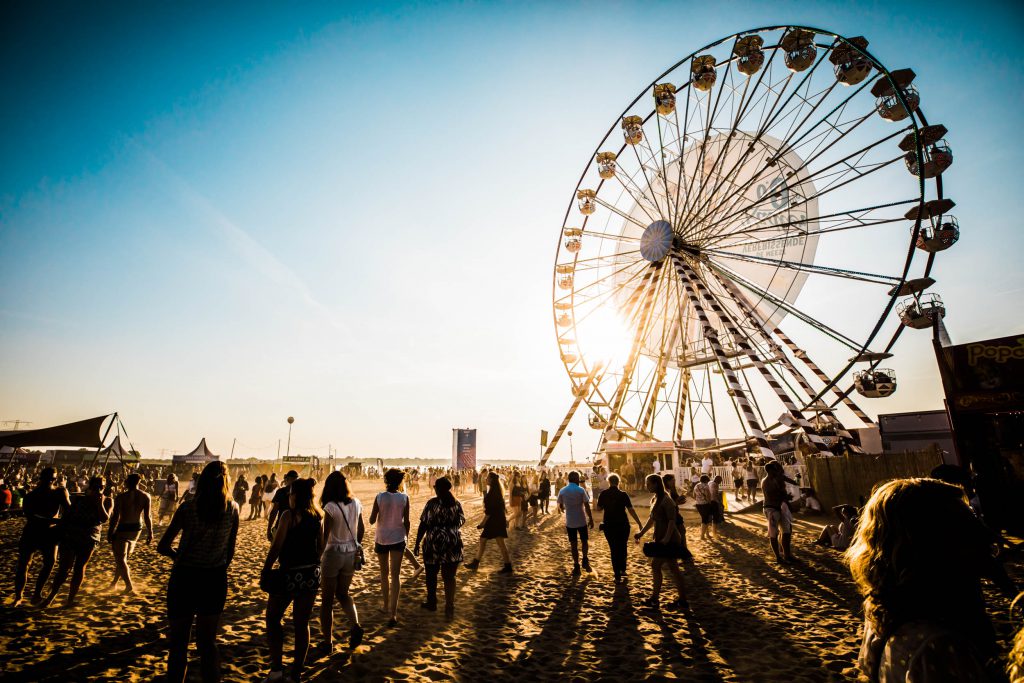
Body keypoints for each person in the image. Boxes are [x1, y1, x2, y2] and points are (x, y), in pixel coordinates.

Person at [847, 478, 1005, 681]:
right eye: (966, 523)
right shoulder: (940, 647)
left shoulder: (884, 613)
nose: (984, 534)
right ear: (933, 545)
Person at [158, 461, 240, 683]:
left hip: (185, 576)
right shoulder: (232, 509)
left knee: (179, 644)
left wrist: (179, 556)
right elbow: (230, 551)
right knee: (207, 643)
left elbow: (163, 545)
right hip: (214, 578)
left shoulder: (188, 508)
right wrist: (215, 563)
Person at [262, 478, 323, 683]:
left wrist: (266, 569)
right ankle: (296, 672)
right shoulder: (317, 516)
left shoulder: (289, 515)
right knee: (301, 623)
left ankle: (277, 669)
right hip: (311, 575)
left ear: (295, 495)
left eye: (290, 493)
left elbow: (276, 546)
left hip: (289, 574)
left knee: (273, 618)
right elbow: (321, 548)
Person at [41, 475, 111, 608]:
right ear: (90, 486)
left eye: (101, 486)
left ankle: (70, 599)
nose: (99, 489)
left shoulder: (107, 501)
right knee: (64, 569)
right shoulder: (79, 498)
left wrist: (99, 503)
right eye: (96, 486)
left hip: (90, 538)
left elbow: (104, 518)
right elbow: (67, 515)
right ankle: (50, 597)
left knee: (79, 568)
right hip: (71, 535)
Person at [318, 471, 364, 652]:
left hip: (333, 553)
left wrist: (318, 556)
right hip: (351, 553)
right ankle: (355, 625)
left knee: (327, 601)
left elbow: (325, 535)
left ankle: (327, 642)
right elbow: (361, 529)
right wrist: (357, 545)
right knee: (343, 594)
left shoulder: (330, 506)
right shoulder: (356, 503)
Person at [13, 467, 70, 606]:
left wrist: (62, 523)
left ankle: (35, 594)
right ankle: (19, 596)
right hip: (34, 531)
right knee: (24, 565)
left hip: (48, 533)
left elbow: (69, 510)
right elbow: (31, 517)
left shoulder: (60, 492)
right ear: (42, 478)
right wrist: (57, 521)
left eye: (53, 478)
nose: (52, 480)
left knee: (48, 563)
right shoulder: (32, 495)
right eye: (50, 478)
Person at [634, 474, 688, 610]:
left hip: (669, 540)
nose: (647, 486)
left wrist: (666, 539)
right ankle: (680, 600)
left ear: (656, 484)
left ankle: (656, 599)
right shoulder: (655, 499)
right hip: (661, 539)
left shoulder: (666, 500)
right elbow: (652, 520)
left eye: (648, 484)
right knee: (671, 568)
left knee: (658, 566)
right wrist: (641, 533)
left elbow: (672, 521)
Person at [414, 476, 465, 620]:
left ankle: (432, 602)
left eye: (435, 487)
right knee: (450, 577)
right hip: (453, 543)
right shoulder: (456, 503)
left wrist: (417, 542)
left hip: (433, 543)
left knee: (431, 574)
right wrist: (450, 531)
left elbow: (423, 524)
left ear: (438, 488)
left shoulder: (432, 504)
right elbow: (461, 521)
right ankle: (449, 607)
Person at [369, 469, 411, 626]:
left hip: (382, 538)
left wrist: (376, 515)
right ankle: (393, 613)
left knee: (384, 573)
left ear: (386, 481)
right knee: (396, 575)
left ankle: (385, 606)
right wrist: (407, 537)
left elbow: (372, 520)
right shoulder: (404, 498)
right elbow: (407, 521)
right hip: (398, 537)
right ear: (400, 481)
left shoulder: (380, 497)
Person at [106, 472, 153, 594]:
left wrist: (110, 532)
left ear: (127, 482)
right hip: (137, 527)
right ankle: (114, 583)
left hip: (124, 527)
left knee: (121, 559)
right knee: (123, 558)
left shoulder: (121, 497)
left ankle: (128, 585)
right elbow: (147, 516)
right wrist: (150, 532)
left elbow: (115, 518)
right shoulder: (146, 496)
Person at [596, 473, 642, 583]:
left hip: (609, 525)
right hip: (623, 525)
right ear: (619, 482)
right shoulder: (623, 494)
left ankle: (617, 576)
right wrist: (639, 522)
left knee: (614, 549)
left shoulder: (603, 494)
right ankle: (623, 569)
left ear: (609, 482)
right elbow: (631, 510)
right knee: (622, 547)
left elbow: (598, 509)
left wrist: (604, 504)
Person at [465, 472, 512, 573]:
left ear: (491, 480)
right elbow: (501, 509)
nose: (485, 479)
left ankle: (507, 566)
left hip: (494, 521)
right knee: (487, 541)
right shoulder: (498, 492)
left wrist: (482, 524)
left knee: (497, 542)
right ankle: (476, 563)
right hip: (498, 520)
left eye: (487, 478)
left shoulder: (491, 495)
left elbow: (489, 513)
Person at [556, 470, 594, 576]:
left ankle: (576, 565)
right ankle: (585, 560)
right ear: (576, 479)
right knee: (584, 541)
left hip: (570, 522)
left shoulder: (563, 490)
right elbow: (586, 506)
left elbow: (560, 505)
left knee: (573, 544)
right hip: (581, 520)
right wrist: (590, 518)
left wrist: (563, 507)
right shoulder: (581, 490)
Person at [761, 460, 798, 564]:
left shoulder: (776, 478)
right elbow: (776, 495)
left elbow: (792, 482)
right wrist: (786, 497)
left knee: (786, 531)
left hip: (777, 507)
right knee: (774, 533)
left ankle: (787, 554)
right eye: (776, 469)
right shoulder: (768, 481)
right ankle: (778, 557)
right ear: (772, 470)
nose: (778, 471)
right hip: (771, 508)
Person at [661, 474, 694, 561]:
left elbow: (675, 501)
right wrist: (677, 502)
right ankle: (683, 554)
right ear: (667, 482)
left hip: (676, 513)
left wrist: (681, 498)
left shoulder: (673, 489)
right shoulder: (665, 492)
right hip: (671, 515)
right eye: (673, 480)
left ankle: (684, 553)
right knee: (678, 534)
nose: (674, 481)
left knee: (681, 532)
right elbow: (669, 504)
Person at [267, 470, 298, 542]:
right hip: (296, 527)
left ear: (286, 479)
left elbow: (274, 511)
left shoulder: (281, 492)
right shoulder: (300, 492)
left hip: (282, 526)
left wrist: (269, 529)